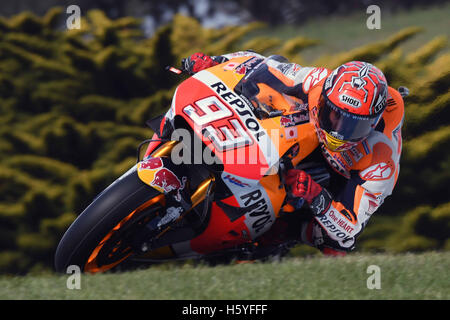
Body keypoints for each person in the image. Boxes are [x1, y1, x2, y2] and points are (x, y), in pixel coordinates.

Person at [180, 51, 405, 256]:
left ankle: (287, 232)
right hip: (307, 142)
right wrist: (218, 62)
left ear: (372, 124)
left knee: (336, 245)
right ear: (325, 98)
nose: (339, 131)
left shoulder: (382, 159)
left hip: (342, 179)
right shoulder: (317, 81)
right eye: (334, 115)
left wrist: (316, 196)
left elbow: (350, 228)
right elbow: (263, 64)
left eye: (354, 126)